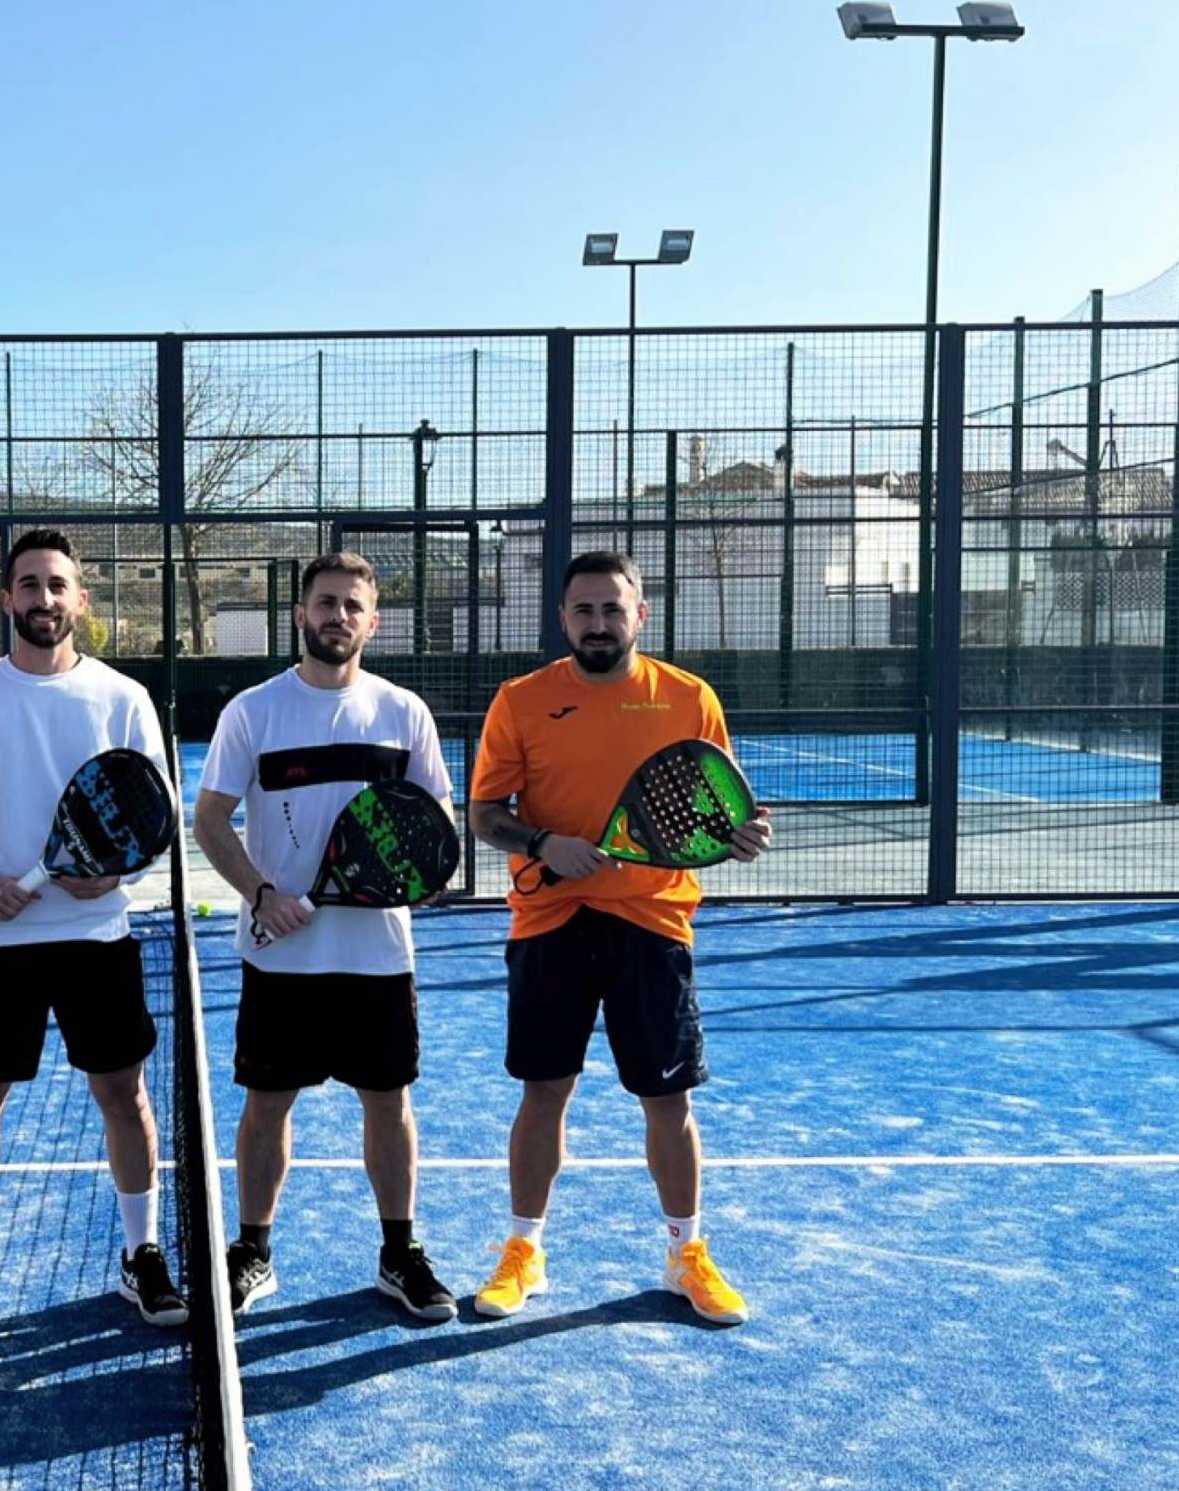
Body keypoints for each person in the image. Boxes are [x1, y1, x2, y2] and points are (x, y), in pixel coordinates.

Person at [467, 550, 772, 1325]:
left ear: (641, 614)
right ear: (562, 618)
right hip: (551, 920)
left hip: (653, 922)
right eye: (584, 610)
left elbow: (714, 807)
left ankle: (685, 1253)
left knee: (667, 1098)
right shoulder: (521, 700)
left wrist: (738, 837)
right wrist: (544, 843)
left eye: (613, 608)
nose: (598, 622)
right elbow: (486, 813)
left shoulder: (689, 697)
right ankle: (524, 1250)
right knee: (544, 1091)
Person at [0, 529, 188, 1333]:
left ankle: (141, 1253)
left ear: (81, 600)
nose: (44, 598)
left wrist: (117, 876)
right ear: (7, 599)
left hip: (98, 936)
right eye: (29, 584)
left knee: (124, 1095)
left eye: (58, 584)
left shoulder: (122, 698)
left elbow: (155, 814)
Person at [193, 551, 459, 1321]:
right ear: (300, 614)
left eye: (351, 605)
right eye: (324, 602)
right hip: (280, 955)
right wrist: (261, 893)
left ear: (372, 621)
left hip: (378, 956)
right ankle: (252, 1249)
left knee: (388, 1103)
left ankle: (399, 1251)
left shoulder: (403, 712)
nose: (336, 615)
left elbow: (434, 824)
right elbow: (209, 820)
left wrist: (416, 878)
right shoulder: (254, 711)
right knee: (267, 1104)